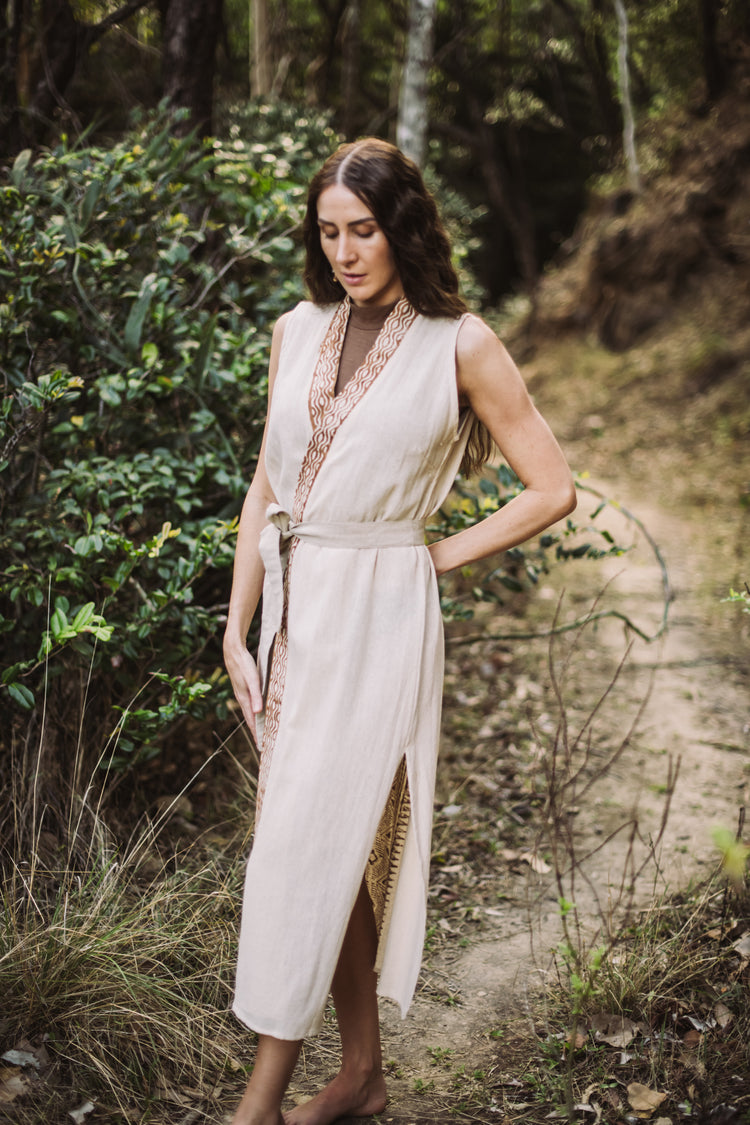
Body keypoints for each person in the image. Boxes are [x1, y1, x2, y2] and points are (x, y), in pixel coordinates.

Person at [222, 136, 576, 1125]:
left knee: (314, 842)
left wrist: (434, 556)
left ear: (402, 225)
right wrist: (236, 622)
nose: (345, 251)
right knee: (318, 841)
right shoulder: (296, 328)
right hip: (296, 611)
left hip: (381, 615)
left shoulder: (459, 344)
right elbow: (268, 483)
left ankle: (257, 1106)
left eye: (363, 230)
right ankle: (363, 1077)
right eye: (329, 232)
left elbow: (553, 489)